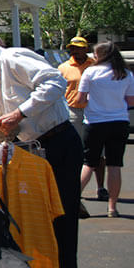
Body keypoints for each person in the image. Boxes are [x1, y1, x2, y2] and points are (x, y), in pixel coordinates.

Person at [0, 33, 83, 268]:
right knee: (44, 216)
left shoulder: (12, 58)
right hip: (35, 147)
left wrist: (20, 113)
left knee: (62, 215)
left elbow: (55, 82)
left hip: (57, 142)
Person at [75, 41, 134, 218]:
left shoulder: (91, 72)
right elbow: (131, 102)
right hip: (119, 121)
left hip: (95, 121)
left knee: (89, 162)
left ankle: (74, 198)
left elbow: (79, 99)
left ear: (99, 55)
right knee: (115, 164)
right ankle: (112, 207)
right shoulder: (126, 74)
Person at [59, 37, 107, 202]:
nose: (75, 51)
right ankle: (76, 188)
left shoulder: (95, 65)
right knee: (76, 151)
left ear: (85, 49)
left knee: (98, 152)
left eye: (79, 48)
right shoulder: (63, 68)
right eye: (73, 48)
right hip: (73, 112)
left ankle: (101, 187)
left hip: (93, 111)